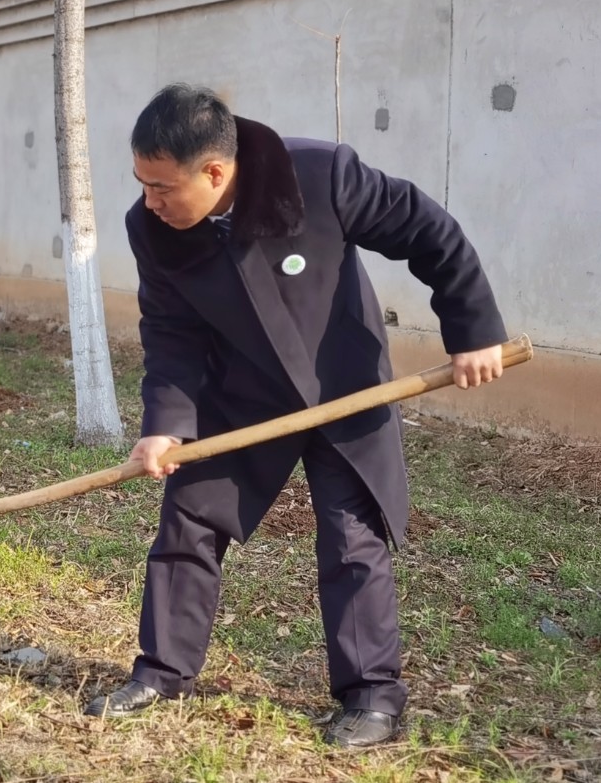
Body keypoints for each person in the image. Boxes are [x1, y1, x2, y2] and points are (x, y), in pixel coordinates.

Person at [85, 84, 507, 747]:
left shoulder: (318, 175)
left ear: (215, 172)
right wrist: (165, 423)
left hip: (343, 385)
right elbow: (171, 333)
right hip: (243, 395)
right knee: (190, 514)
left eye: (162, 186)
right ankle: (163, 670)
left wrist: (472, 326)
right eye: (142, 183)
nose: (149, 200)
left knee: (350, 534)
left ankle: (371, 695)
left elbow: (427, 228)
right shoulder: (154, 230)